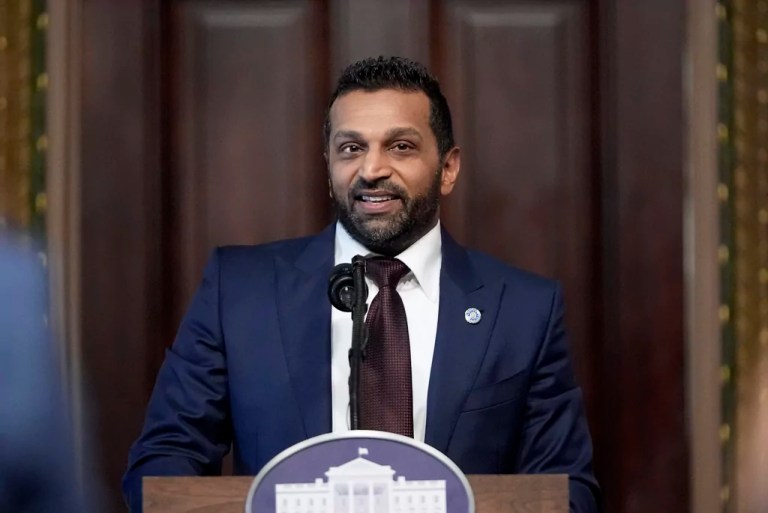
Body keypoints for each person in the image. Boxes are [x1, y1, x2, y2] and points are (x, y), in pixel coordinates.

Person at [123, 56, 600, 512]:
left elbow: (566, 490)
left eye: (401, 146)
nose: (372, 170)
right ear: (329, 170)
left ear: (448, 168)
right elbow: (164, 462)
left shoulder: (523, 311)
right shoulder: (240, 292)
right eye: (351, 148)